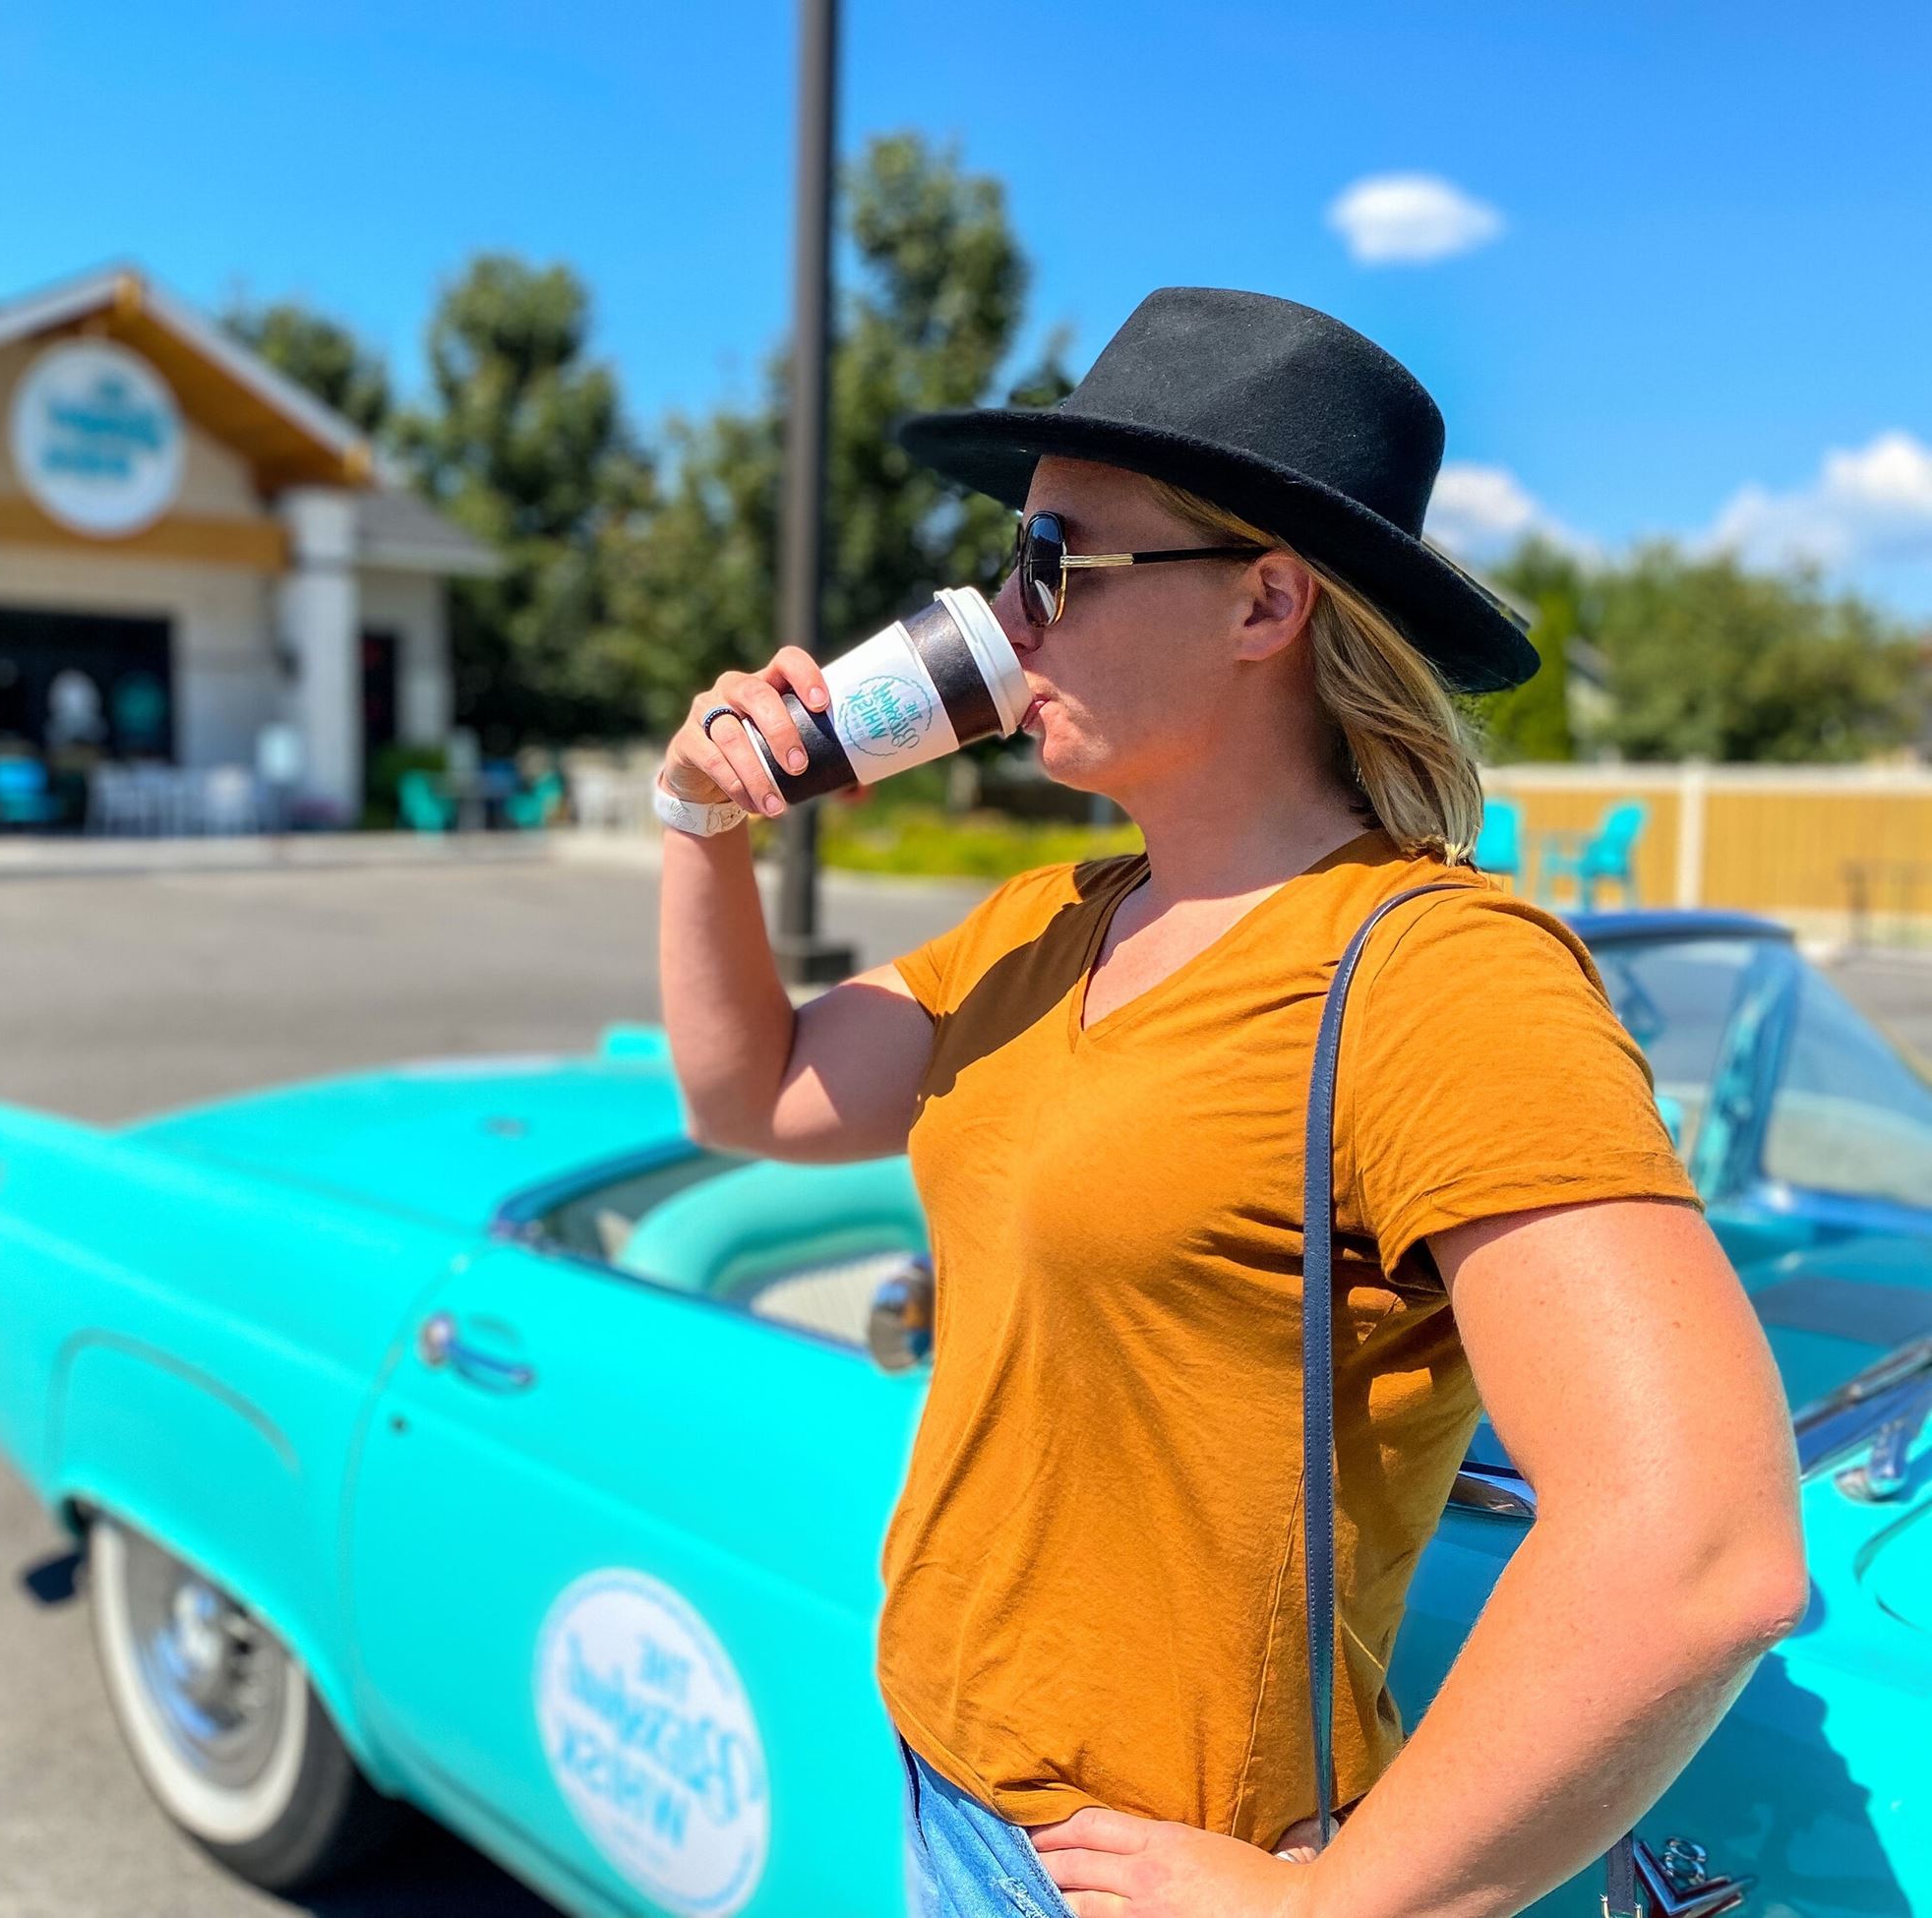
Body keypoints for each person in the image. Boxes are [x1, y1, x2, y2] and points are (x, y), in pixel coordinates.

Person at [651, 286, 1807, 1918]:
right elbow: (750, 1094)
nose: (1002, 616)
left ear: (1266, 601)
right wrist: (703, 823)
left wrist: (1340, 1907)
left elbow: (1702, 1546)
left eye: (1055, 559)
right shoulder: (1056, 914)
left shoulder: (1436, 972)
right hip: (945, 1781)